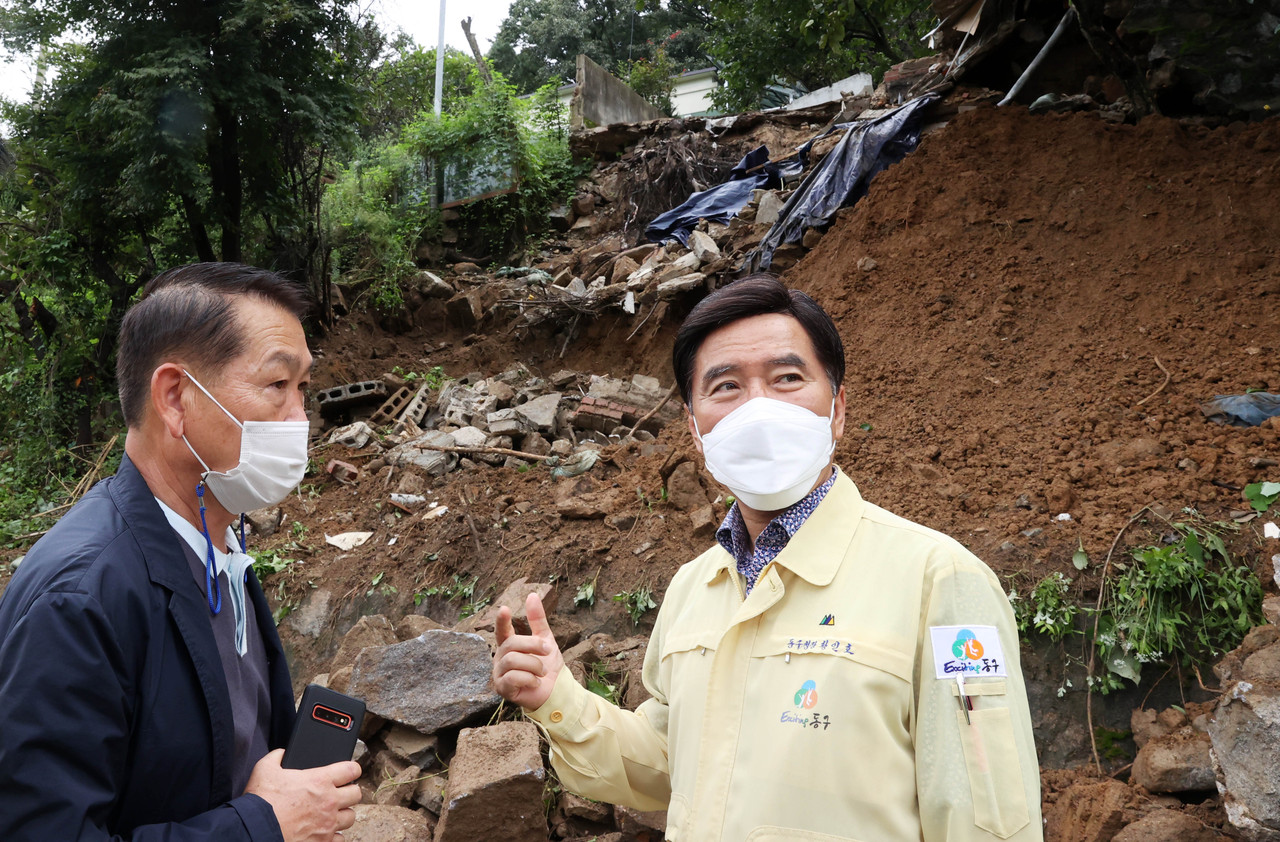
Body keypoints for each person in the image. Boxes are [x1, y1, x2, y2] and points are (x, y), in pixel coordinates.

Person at [493, 273, 1043, 841]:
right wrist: (557, 697)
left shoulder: (941, 581)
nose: (759, 409)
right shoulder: (693, 588)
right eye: (726, 386)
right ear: (695, 428)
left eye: (787, 378)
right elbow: (666, 764)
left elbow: (987, 816)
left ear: (836, 409)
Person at [0, 263, 361, 841]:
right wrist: (261, 827)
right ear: (175, 398)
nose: (301, 420)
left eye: (304, 390)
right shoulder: (79, 598)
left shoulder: (218, 548)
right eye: (277, 386)